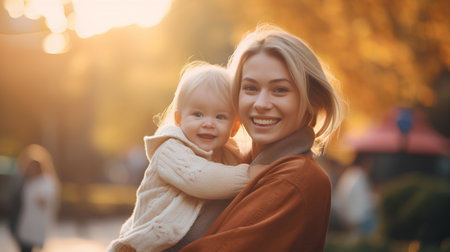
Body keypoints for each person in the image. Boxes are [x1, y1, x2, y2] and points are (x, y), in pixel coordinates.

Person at [181, 24, 344, 251]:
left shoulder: (297, 178)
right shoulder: (233, 161)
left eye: (279, 90)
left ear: (311, 101)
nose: (261, 104)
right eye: (250, 88)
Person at [108, 62, 250, 252]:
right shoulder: (169, 149)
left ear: (234, 127)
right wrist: (252, 174)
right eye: (198, 114)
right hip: (146, 245)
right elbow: (200, 178)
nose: (208, 123)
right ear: (179, 120)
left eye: (220, 117)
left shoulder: (231, 156)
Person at [9, 144, 60, 252]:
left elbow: (44, 202)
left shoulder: (46, 182)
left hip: (33, 227)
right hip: (21, 225)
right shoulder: (26, 181)